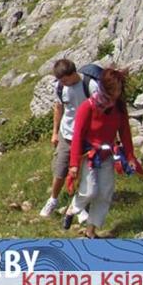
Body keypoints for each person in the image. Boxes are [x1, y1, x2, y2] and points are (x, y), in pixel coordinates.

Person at [63, 67, 137, 238]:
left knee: (105, 193)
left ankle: (91, 230)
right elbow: (78, 136)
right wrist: (74, 164)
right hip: (89, 155)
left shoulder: (119, 107)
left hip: (107, 155)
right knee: (90, 191)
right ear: (105, 87)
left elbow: (125, 132)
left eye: (119, 89)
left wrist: (130, 156)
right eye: (114, 89)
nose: (117, 93)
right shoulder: (87, 107)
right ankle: (72, 209)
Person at [40, 59, 98, 217]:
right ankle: (53, 200)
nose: (63, 83)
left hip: (87, 137)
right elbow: (58, 108)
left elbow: (100, 111)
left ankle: (81, 204)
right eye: (60, 81)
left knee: (85, 170)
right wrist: (54, 132)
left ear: (73, 74)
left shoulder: (90, 85)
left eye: (65, 80)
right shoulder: (59, 87)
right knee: (60, 169)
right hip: (66, 134)